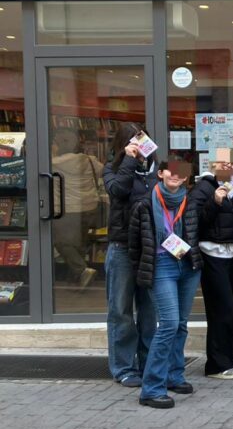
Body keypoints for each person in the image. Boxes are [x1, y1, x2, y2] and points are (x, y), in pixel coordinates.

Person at [128, 155, 203, 408]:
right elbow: (134, 245)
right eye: (170, 171)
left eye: (181, 172)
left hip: (187, 266)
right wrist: (142, 272)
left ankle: (174, 375)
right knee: (169, 324)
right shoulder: (144, 204)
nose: (175, 175)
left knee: (181, 324)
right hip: (161, 266)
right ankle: (151, 388)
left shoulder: (189, 201)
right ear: (160, 174)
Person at [103, 122, 158, 387]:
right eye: (134, 141)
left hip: (149, 248)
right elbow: (118, 191)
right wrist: (128, 159)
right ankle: (124, 368)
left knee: (149, 310)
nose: (140, 146)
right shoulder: (112, 169)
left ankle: (149, 364)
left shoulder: (156, 171)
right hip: (122, 247)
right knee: (121, 310)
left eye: (143, 140)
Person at [190, 157, 233, 380]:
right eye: (224, 164)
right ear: (213, 166)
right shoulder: (203, 188)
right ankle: (216, 364)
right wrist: (214, 201)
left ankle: (228, 359)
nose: (228, 168)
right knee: (222, 309)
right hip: (212, 255)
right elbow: (194, 220)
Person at [51, 127, 106, 289]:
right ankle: (76, 280)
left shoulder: (53, 163)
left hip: (66, 209)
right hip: (89, 207)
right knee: (78, 243)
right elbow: (102, 171)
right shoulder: (89, 160)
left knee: (59, 241)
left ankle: (81, 270)